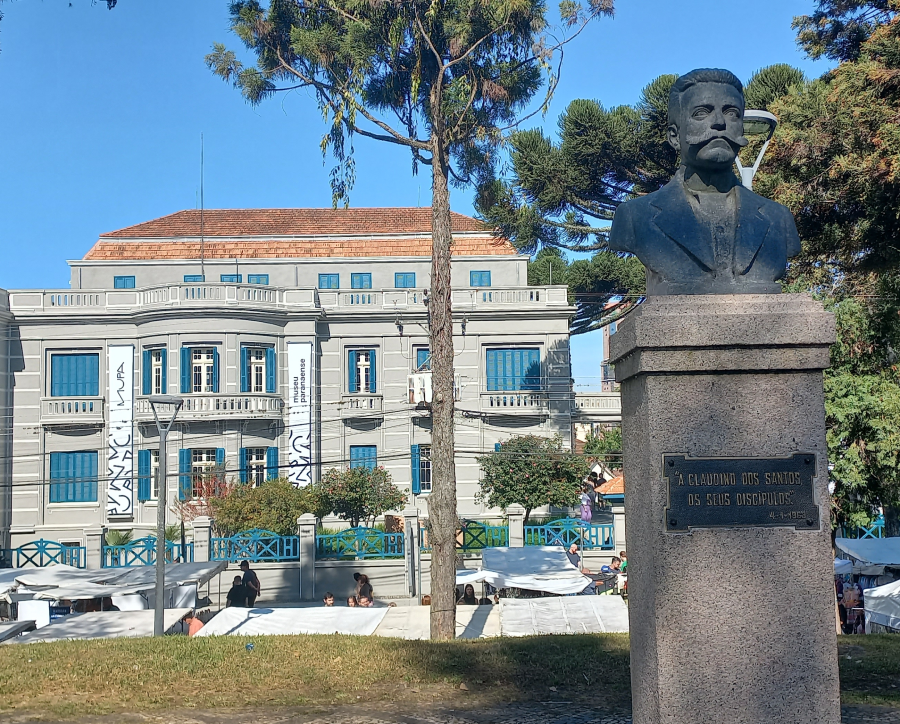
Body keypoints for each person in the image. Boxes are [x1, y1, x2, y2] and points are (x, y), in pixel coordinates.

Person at [608, 68, 801, 295]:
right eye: (701, 113)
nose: (719, 122)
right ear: (674, 136)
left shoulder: (778, 218)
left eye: (732, 113)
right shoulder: (635, 217)